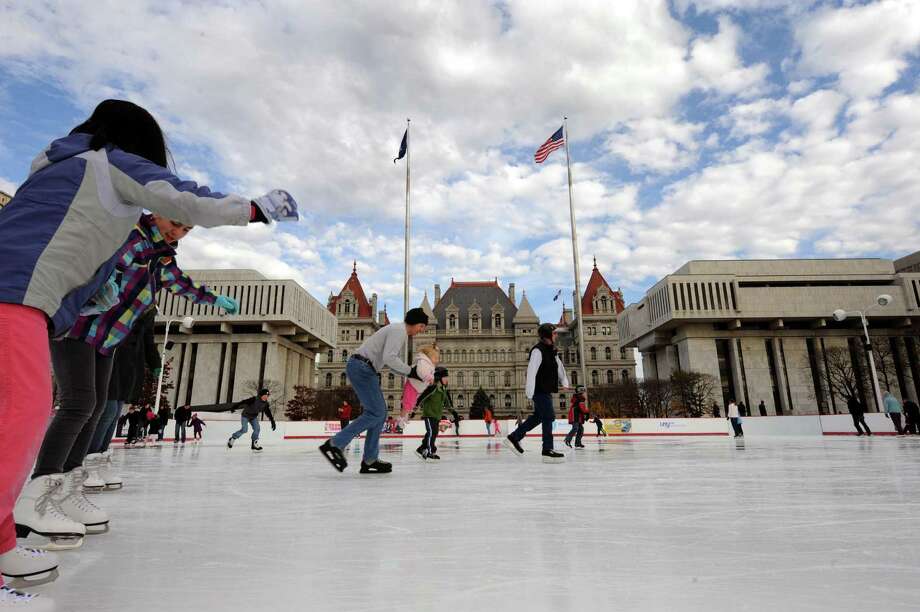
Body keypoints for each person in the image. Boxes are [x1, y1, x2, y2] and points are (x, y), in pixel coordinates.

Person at [1, 99, 299, 599]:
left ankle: (28, 512)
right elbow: (183, 196)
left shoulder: (58, 168)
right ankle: (34, 497)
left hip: (40, 303)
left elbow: (141, 264)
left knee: (61, 406)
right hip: (20, 294)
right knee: (28, 411)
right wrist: (255, 208)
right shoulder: (106, 161)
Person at [319, 308, 429, 474]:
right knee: (377, 413)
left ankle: (370, 458)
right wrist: (411, 371)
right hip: (362, 367)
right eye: (422, 326)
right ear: (416, 323)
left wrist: (411, 373)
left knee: (380, 413)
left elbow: (390, 362)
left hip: (364, 368)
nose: (422, 331)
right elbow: (390, 358)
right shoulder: (399, 331)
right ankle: (335, 443)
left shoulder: (397, 330)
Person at [503, 323, 569, 463]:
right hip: (539, 390)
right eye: (554, 333)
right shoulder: (538, 351)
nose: (556, 335)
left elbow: (559, 366)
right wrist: (529, 391)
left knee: (538, 417)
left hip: (545, 389)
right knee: (549, 416)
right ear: (548, 335)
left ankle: (514, 437)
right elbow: (531, 371)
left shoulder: (551, 350)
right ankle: (547, 450)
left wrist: (564, 382)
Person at [415, 367, 452, 460]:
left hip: (436, 415)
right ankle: (430, 451)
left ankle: (421, 449)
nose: (447, 379)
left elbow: (447, 403)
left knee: (433, 433)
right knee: (431, 432)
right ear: (439, 378)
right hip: (429, 414)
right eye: (445, 377)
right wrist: (414, 409)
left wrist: (454, 413)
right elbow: (421, 397)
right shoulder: (432, 387)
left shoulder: (443, 389)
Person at [401, 345, 438, 428]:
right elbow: (421, 371)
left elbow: (429, 374)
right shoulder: (423, 361)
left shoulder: (429, 364)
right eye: (435, 358)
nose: (437, 361)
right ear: (430, 356)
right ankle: (402, 419)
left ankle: (404, 417)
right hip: (413, 384)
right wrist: (429, 378)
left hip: (416, 386)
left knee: (411, 403)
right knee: (408, 403)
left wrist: (431, 378)